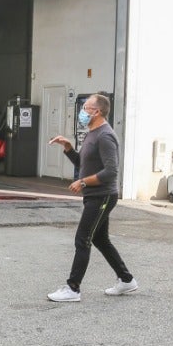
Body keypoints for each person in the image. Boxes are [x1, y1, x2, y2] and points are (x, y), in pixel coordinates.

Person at [47, 93, 139, 301]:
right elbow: (83, 162)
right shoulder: (92, 132)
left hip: (102, 196)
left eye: (86, 108)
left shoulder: (105, 136)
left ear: (96, 111)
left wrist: (83, 182)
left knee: (83, 239)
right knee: (100, 239)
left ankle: (73, 288)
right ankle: (126, 280)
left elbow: (111, 171)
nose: (82, 112)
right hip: (95, 195)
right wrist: (68, 148)